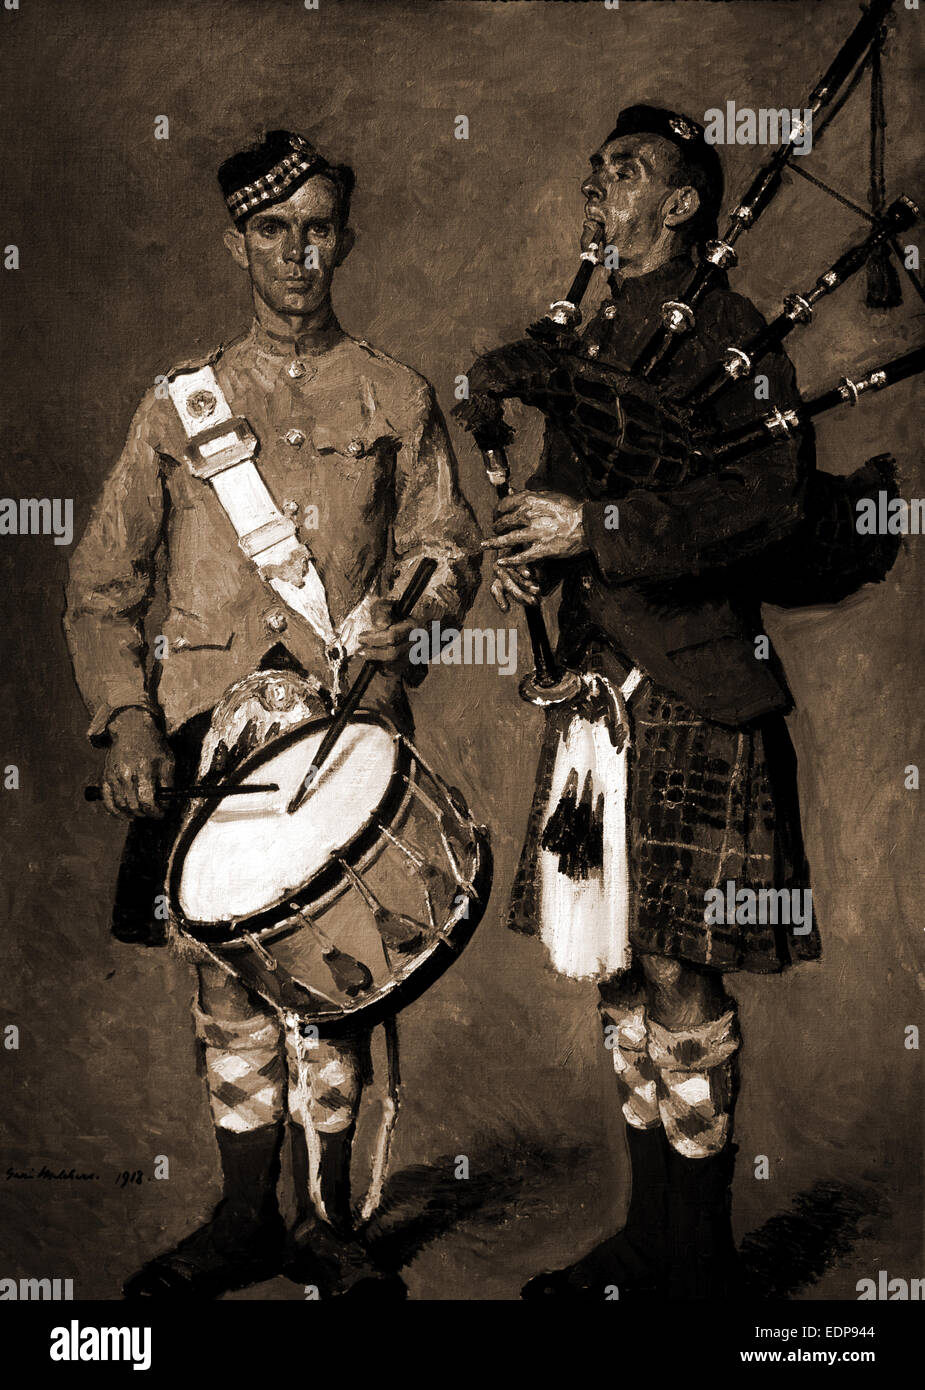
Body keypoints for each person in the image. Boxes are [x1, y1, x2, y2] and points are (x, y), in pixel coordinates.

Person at [64, 129, 480, 1299]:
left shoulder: (394, 391)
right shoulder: (178, 405)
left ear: (344, 236)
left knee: (333, 971)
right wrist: (128, 721)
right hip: (208, 730)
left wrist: (425, 604)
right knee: (228, 982)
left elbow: (446, 545)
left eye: (318, 228)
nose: (299, 253)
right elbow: (101, 586)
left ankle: (330, 1226)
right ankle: (247, 1214)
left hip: (344, 725)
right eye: (273, 231)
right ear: (236, 243)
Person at [484, 106, 819, 1299]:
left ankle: (701, 1259)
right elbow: (571, 499)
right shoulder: (591, 336)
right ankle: (650, 1241)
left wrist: (601, 527)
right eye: (596, 170)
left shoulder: (729, 336)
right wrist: (535, 546)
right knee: (619, 969)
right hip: (592, 687)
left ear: (680, 206)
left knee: (680, 974)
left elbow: (772, 505)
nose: (598, 188)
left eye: (625, 173)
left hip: (691, 684)